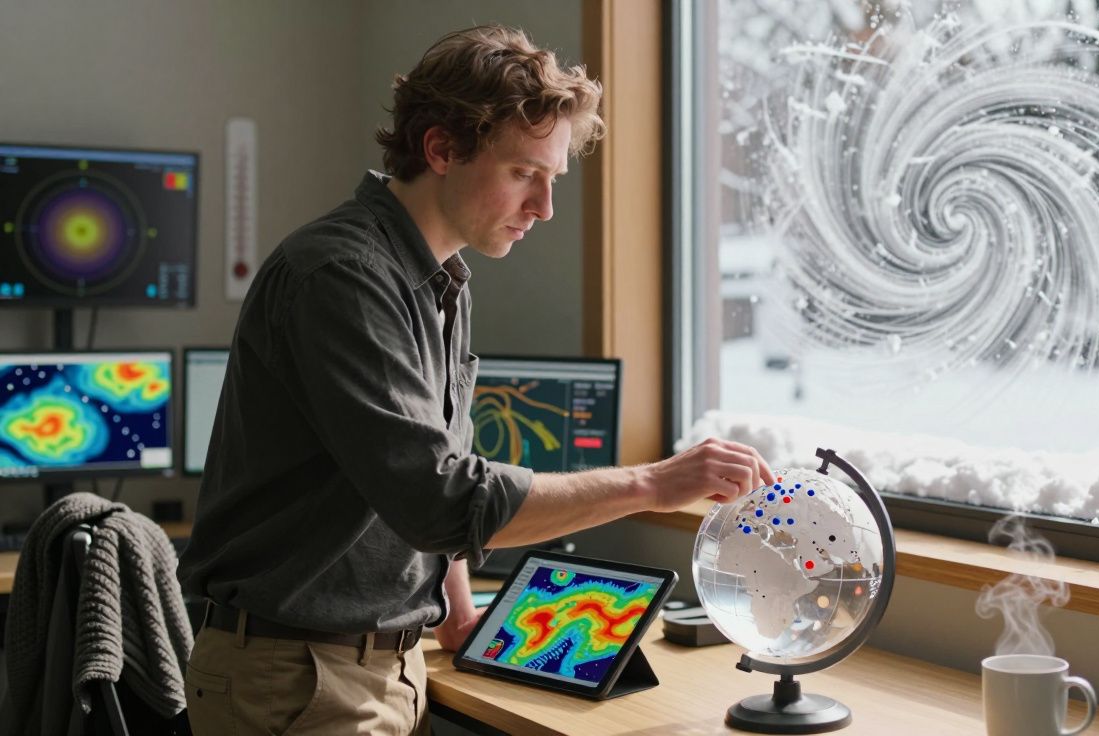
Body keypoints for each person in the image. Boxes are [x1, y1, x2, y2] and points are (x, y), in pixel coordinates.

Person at [176, 24, 770, 735]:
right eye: (525, 174)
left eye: (554, 179)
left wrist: (459, 611)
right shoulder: (343, 277)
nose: (545, 208)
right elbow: (442, 499)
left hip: (385, 666)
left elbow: (427, 473)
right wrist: (652, 483)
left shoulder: (438, 278)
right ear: (441, 149)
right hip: (295, 676)